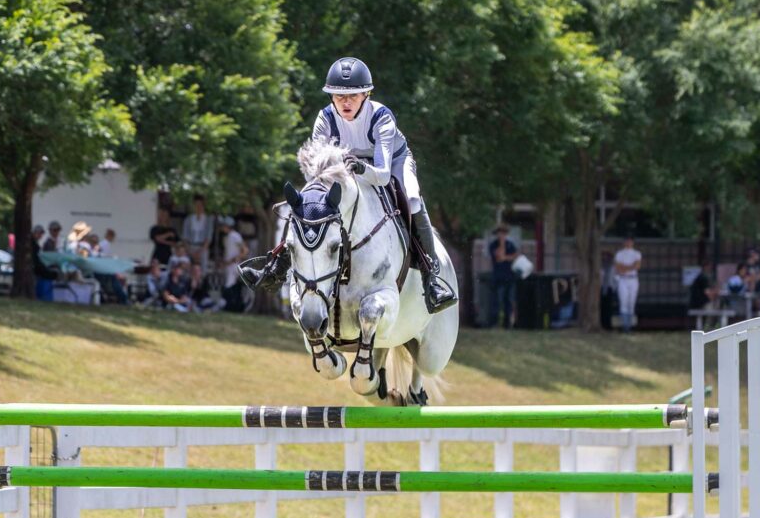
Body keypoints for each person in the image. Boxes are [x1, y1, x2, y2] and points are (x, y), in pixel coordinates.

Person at [241, 57, 457, 313]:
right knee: (308, 202)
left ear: (366, 94)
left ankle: (431, 278)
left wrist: (361, 167)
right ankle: (278, 264)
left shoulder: (381, 117)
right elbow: (316, 175)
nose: (346, 102)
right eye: (339, 96)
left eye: (353, 95)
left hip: (390, 164)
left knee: (411, 198)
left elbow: (383, 176)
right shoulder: (325, 118)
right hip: (346, 167)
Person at [488, 225, 518, 328]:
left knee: (508, 301)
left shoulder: (510, 244)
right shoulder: (493, 245)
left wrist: (506, 257)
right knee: (496, 301)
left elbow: (515, 256)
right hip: (498, 277)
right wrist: (502, 245)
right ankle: (495, 323)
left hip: (509, 276)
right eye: (500, 233)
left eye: (504, 233)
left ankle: (507, 324)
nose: (502, 235)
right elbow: (499, 257)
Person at [613, 236, 641, 332]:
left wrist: (625, 267)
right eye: (627, 241)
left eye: (630, 241)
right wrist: (630, 266)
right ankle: (625, 325)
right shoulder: (619, 254)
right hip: (623, 279)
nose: (628, 243)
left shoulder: (637, 254)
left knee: (631, 302)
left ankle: (630, 325)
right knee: (623, 301)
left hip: (633, 279)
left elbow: (637, 266)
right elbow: (618, 267)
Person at [182, 195, 214, 274]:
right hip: (190, 247)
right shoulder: (188, 219)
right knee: (188, 270)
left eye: (200, 205)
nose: (198, 207)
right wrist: (189, 251)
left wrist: (200, 252)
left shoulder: (208, 219)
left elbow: (208, 238)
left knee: (202, 271)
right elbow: (185, 237)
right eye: (196, 205)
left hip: (202, 248)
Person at [31, 225, 58, 301]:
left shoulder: (36, 244)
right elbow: (37, 261)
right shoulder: (34, 245)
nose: (40, 236)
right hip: (37, 269)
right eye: (39, 233)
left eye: (41, 234)